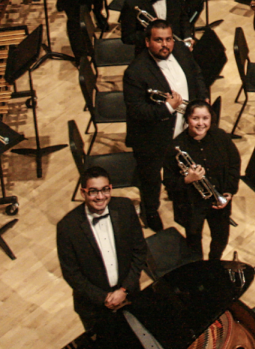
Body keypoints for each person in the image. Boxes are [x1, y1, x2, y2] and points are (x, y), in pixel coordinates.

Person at [123, 18, 209, 231]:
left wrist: (203, 98)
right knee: (151, 180)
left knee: (183, 169)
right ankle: (150, 211)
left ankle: (182, 201)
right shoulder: (135, 72)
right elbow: (136, 111)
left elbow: (195, 73)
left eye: (168, 39)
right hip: (153, 137)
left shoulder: (179, 49)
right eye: (159, 40)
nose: (165, 45)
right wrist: (168, 108)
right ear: (147, 42)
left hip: (183, 128)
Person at [56, 166, 147, 331]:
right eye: (93, 191)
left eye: (105, 190)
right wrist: (104, 298)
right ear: (83, 193)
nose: (100, 197)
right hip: (93, 307)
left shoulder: (125, 208)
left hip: (130, 295)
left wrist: (124, 289)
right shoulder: (67, 227)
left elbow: (140, 251)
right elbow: (71, 273)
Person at [163, 100, 240, 261]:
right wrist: (187, 179)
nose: (201, 123)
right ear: (187, 119)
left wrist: (229, 192)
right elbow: (169, 183)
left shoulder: (221, 137)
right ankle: (198, 269)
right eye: (195, 118)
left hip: (219, 202)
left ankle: (214, 262)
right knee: (193, 242)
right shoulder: (176, 146)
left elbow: (234, 164)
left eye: (205, 118)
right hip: (192, 205)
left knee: (221, 239)